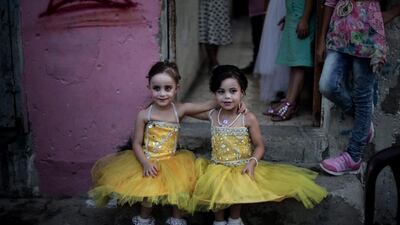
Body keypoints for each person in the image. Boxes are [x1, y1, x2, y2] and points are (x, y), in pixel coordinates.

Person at [189, 65, 327, 225]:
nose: (227, 97)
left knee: (237, 186)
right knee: (216, 188)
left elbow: (260, 145)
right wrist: (213, 103)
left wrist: (252, 162)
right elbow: (186, 110)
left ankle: (235, 219)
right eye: (221, 92)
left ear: (243, 93)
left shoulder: (248, 119)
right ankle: (218, 221)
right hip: (217, 167)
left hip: (241, 166)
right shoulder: (213, 115)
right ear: (214, 94)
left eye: (233, 91)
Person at [88, 61, 220, 225]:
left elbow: (210, 105)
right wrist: (145, 163)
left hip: (172, 161)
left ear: (176, 88)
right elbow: (137, 143)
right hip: (149, 159)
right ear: (149, 87)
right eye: (156, 88)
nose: (162, 93)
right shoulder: (144, 115)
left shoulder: (180, 110)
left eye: (168, 88)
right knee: (148, 192)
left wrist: (235, 102)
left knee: (180, 188)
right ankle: (144, 219)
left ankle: (176, 220)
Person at [317, 0, 400, 176]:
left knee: (362, 95)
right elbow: (330, 2)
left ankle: (353, 157)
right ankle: (364, 127)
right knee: (327, 85)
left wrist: (392, 12)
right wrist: (322, 39)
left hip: (368, 39)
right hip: (338, 35)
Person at [265, 0, 316, 121]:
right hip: (294, 15)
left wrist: (304, 19)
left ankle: (290, 104)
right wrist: (288, 16)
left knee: (299, 63)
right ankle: (288, 100)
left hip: (301, 17)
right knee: (294, 63)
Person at [253, 0, 290, 107]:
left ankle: (286, 88)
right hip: (276, 6)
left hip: (289, 6)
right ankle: (277, 88)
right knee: (274, 43)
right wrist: (265, 10)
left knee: (283, 42)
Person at [199, 0, 232, 70]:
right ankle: (215, 63)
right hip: (208, 4)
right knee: (208, 32)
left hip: (219, 4)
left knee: (218, 31)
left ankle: (213, 63)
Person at [241, 0, 268, 74]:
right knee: (256, 39)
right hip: (256, 10)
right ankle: (256, 63)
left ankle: (257, 65)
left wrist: (266, 10)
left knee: (259, 40)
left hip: (261, 11)